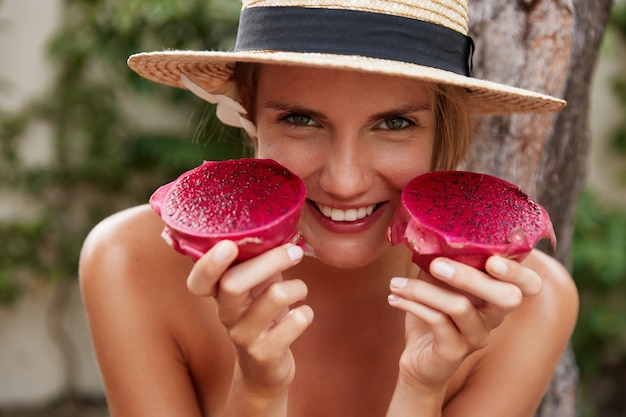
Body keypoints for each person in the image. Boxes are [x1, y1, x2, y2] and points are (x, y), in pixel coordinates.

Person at [79, 1, 578, 416]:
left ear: (442, 126)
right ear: (249, 111)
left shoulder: (527, 305)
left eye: (395, 124)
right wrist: (257, 390)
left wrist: (420, 390)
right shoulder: (132, 264)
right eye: (301, 119)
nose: (344, 181)